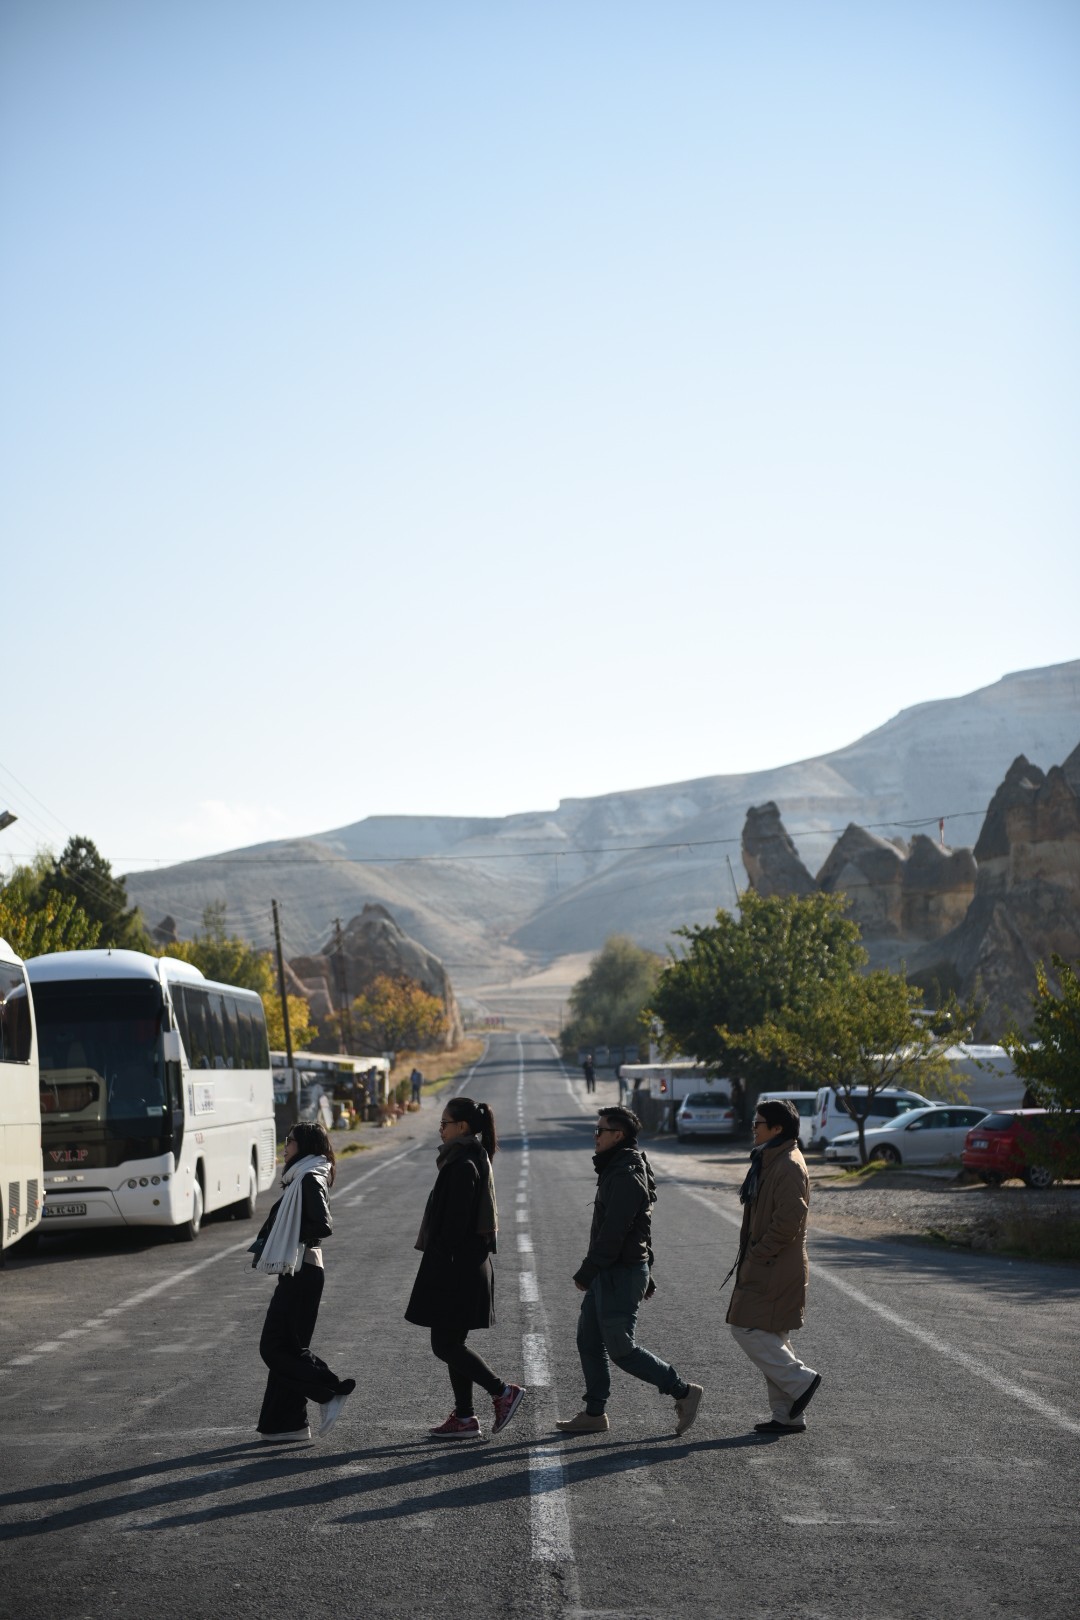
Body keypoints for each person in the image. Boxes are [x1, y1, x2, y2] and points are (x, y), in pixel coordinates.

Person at [556, 1107, 702, 1436]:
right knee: (588, 1341)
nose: (595, 1136)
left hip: (618, 1273)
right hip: (612, 1271)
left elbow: (616, 1232)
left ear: (618, 1135)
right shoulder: (618, 1166)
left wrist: (588, 1271)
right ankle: (594, 1413)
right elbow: (640, 1228)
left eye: (600, 1131)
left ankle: (683, 1391)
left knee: (621, 1350)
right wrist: (646, 1267)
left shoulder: (625, 1172)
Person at [405, 1096, 526, 1439]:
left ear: (462, 1127)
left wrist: (441, 1263)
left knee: (444, 1344)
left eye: (444, 1123)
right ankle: (464, 1417)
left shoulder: (462, 1164)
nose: (440, 1130)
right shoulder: (469, 1157)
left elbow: (454, 1226)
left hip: (456, 1268)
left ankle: (502, 1391)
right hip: (465, 1265)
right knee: (452, 1343)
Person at [252, 1122, 356, 1443]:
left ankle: (331, 1391)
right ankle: (286, 1424)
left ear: (306, 1145)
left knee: (273, 1347)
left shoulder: (309, 1177)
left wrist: (286, 1235)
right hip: (299, 1270)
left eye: (289, 1141)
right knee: (287, 1349)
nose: (284, 1146)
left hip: (303, 1271)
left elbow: (322, 1225)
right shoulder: (304, 1174)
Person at [726, 1098, 821, 1435]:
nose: (753, 1128)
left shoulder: (789, 1165)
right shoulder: (771, 1159)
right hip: (772, 1263)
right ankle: (787, 1415)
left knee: (746, 1328)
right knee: (772, 1335)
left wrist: (758, 1255)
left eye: (759, 1123)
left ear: (777, 1128)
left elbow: (789, 1220)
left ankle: (801, 1381)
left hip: (775, 1265)